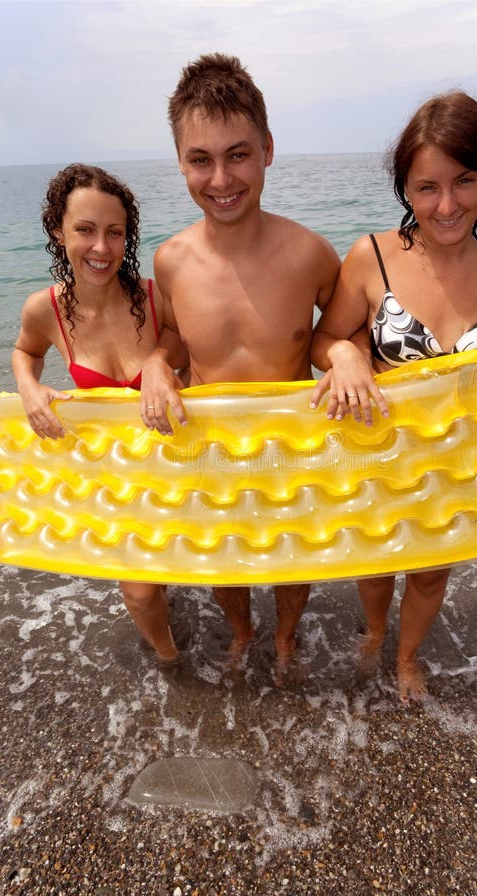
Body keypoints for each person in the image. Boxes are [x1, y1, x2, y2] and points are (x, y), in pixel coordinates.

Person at [309, 91, 477, 701]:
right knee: (376, 568)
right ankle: (376, 630)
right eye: (426, 187)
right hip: (379, 452)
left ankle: (408, 657)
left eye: (464, 181)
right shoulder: (371, 257)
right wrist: (348, 353)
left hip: (455, 460)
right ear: (405, 188)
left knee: (432, 575)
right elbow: (323, 336)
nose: (446, 204)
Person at [138, 53, 341, 664]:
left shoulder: (311, 253)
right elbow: (176, 340)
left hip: (291, 446)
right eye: (201, 159)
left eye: (238, 154)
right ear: (180, 163)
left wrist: (348, 359)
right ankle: (244, 632)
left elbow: (343, 333)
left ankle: (282, 636)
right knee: (223, 555)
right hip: (210, 444)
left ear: (268, 149)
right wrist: (153, 364)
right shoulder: (171, 260)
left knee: (293, 554)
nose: (221, 179)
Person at [12, 163, 184, 666]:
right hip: (117, 476)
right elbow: (25, 353)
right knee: (140, 594)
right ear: (57, 231)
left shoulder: (154, 298)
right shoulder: (44, 310)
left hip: (174, 463)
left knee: (194, 570)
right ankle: (171, 660)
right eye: (85, 230)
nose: (102, 248)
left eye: (115, 232)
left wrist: (158, 360)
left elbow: (183, 343)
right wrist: (28, 389)